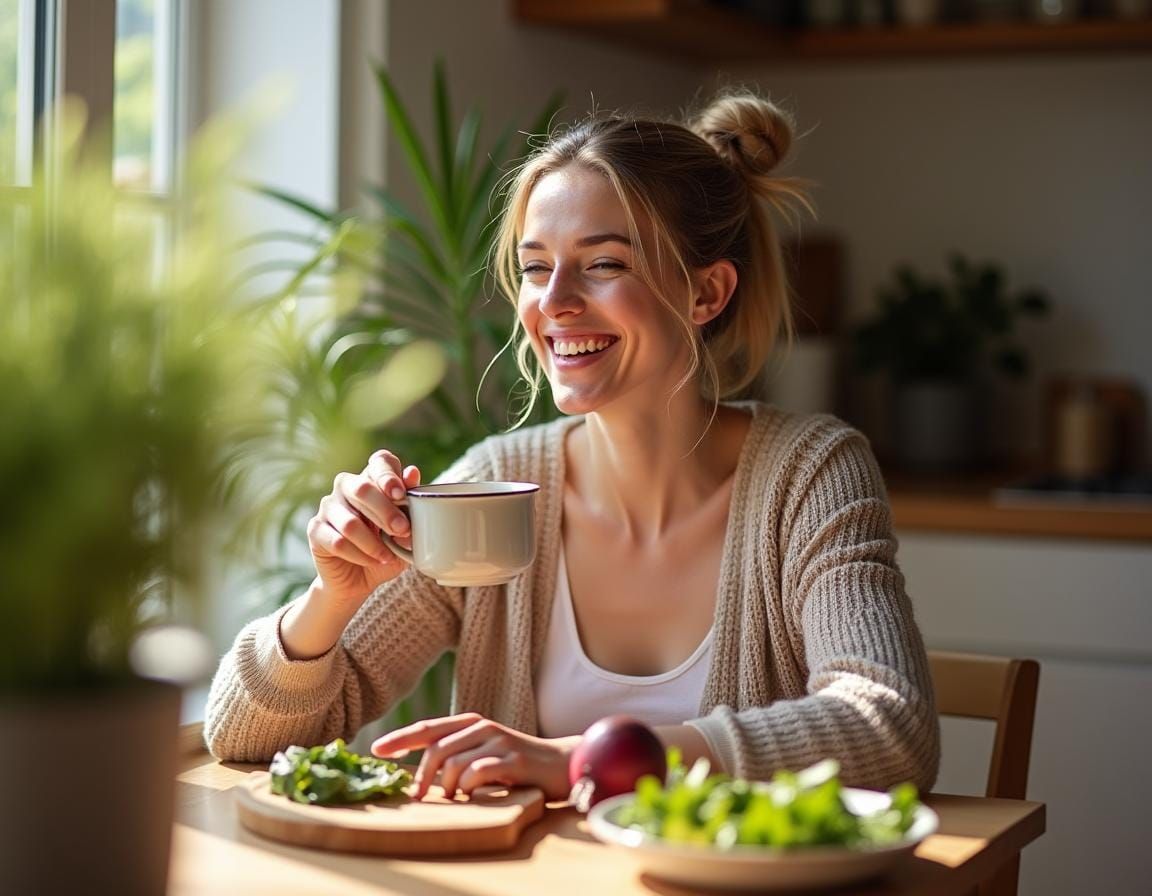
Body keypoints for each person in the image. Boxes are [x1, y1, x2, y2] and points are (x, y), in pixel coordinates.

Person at [205, 90, 940, 801]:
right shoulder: (497, 484)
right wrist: (331, 600)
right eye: (534, 266)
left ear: (706, 293)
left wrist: (589, 761)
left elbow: (890, 728)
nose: (553, 302)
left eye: (604, 263)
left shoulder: (808, 474)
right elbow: (240, 737)